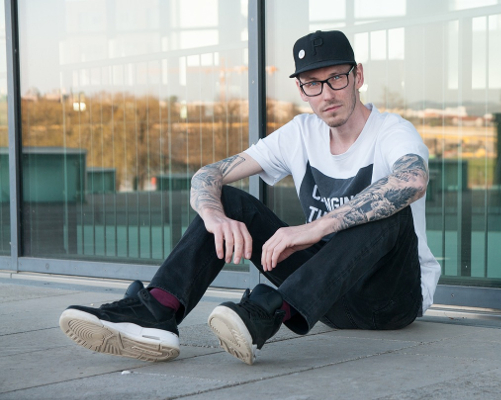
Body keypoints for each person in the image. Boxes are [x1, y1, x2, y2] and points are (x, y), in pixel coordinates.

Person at [59, 30, 441, 365]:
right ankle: (158, 309)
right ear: (301, 89)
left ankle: (264, 312)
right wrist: (214, 216)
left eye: (336, 79)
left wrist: (313, 229)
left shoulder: (391, 131)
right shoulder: (300, 133)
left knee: (388, 209)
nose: (326, 94)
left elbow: (413, 178)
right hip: (327, 299)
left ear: (358, 76)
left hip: (391, 300)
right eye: (312, 83)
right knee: (228, 200)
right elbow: (208, 174)